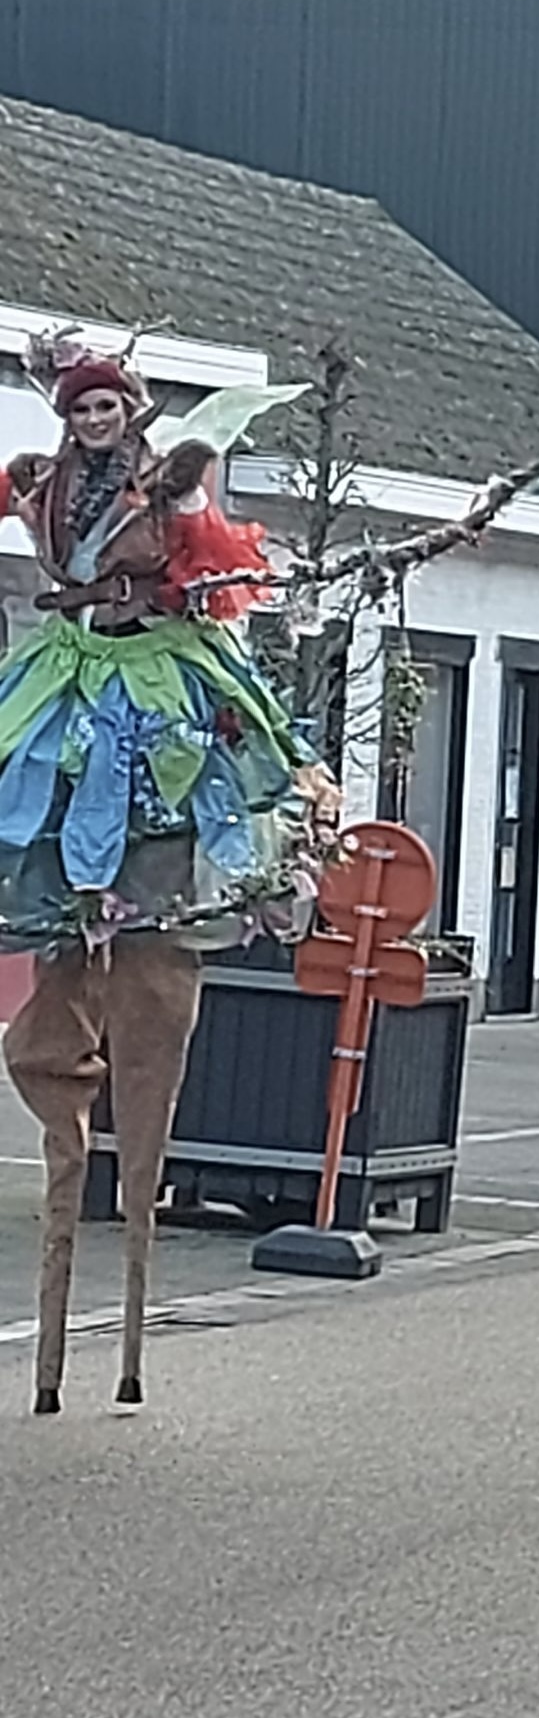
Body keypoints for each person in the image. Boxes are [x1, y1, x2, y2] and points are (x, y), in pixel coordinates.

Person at [0, 331, 324, 1416]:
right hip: (70, 665)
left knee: (167, 844)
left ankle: (136, 1204)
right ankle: (65, 1115)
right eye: (78, 407)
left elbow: (210, 563)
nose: (93, 421)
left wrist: (187, 543)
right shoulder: (42, 483)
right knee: (43, 801)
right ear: (65, 414)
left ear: (128, 412)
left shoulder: (169, 478)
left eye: (106, 408)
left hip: (154, 675)